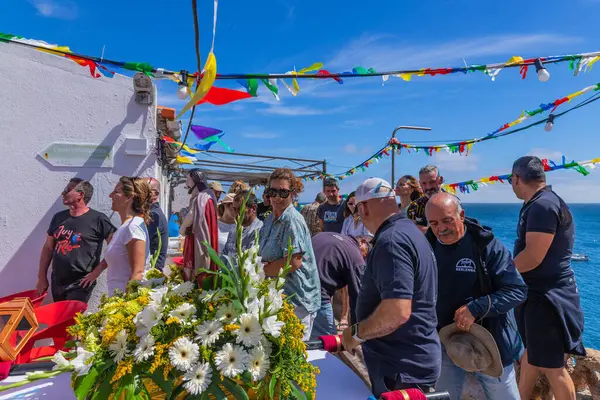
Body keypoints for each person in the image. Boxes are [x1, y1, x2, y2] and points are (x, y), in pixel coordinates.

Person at [342, 177, 440, 398]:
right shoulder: (410, 231)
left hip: (401, 367)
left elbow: (397, 311)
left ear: (364, 207)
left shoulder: (392, 241)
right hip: (411, 358)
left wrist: (356, 334)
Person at [425, 192, 527, 400]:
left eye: (447, 220)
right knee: (443, 396)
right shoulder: (427, 246)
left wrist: (476, 307)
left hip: (489, 342)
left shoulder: (486, 246)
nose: (441, 229)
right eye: (434, 223)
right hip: (447, 339)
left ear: (461, 215)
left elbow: (517, 290)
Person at [510, 156, 586, 400]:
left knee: (554, 369)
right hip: (538, 297)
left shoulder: (543, 206)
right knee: (531, 356)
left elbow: (533, 256)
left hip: (548, 300)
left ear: (516, 178)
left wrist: (502, 274)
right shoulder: (539, 203)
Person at [259, 168, 321, 341]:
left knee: (293, 357)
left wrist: (259, 271)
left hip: (297, 302)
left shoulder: (291, 219)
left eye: (283, 192)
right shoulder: (270, 219)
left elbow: (293, 263)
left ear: (292, 193)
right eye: (273, 192)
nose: (277, 197)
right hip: (279, 299)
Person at [36, 178, 115, 302]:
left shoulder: (98, 219)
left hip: (81, 282)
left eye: (67, 190)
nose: (63, 193)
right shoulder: (59, 217)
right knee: (62, 320)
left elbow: (115, 247)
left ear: (81, 195)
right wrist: (42, 277)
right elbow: (48, 247)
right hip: (58, 280)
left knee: (71, 318)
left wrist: (96, 273)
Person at [80, 177, 151, 295]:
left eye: (116, 192)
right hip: (117, 299)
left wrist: (125, 306)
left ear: (129, 197)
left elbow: (137, 273)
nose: (110, 195)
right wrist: (95, 273)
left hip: (125, 303)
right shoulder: (125, 227)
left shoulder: (132, 227)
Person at [311, 232, 370, 339]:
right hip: (316, 296)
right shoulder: (356, 256)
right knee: (329, 344)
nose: (364, 259)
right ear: (362, 242)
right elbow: (358, 298)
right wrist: (356, 336)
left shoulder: (326, 235)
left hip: (293, 287)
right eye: (367, 253)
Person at [179, 169, 219, 283]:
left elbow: (191, 216)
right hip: (203, 234)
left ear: (195, 180)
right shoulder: (209, 197)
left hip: (197, 237)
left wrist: (182, 230)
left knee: (194, 264)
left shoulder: (201, 198)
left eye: (188, 180)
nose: (187, 183)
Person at [222, 191, 263, 257]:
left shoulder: (260, 230)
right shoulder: (233, 229)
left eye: (240, 209)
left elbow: (251, 259)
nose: (236, 213)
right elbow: (225, 255)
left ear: (253, 209)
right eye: (234, 209)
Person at [407, 165, 444, 233]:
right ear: (420, 183)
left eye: (432, 182)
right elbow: (410, 232)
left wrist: (420, 229)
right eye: (424, 183)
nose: (428, 187)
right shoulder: (414, 206)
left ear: (440, 180)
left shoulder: (453, 202)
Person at [144, 178, 168, 270]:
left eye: (143, 190)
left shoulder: (153, 215)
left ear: (155, 194)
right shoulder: (153, 212)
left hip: (151, 271)